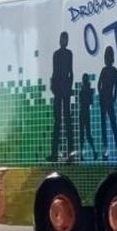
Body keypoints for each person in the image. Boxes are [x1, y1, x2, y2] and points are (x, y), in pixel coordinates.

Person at [49, 31, 74, 161]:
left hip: (65, 89)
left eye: (65, 38)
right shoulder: (56, 54)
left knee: (67, 121)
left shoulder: (69, 54)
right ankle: (54, 153)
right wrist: (53, 85)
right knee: (58, 121)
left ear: (67, 40)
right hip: (59, 90)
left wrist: (69, 87)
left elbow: (71, 72)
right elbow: (54, 72)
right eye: (61, 38)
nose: (63, 40)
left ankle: (70, 154)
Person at [97, 46, 117, 160]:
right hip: (105, 100)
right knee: (107, 127)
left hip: (107, 100)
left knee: (112, 126)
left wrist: (112, 96)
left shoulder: (112, 71)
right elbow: (99, 85)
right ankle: (107, 152)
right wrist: (106, 95)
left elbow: (115, 86)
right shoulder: (107, 70)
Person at [77, 73, 97, 160]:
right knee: (85, 134)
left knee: (85, 134)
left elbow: (85, 101)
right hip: (85, 113)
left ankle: (89, 153)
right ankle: (92, 152)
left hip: (83, 113)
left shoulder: (84, 91)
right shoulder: (86, 91)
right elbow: (90, 102)